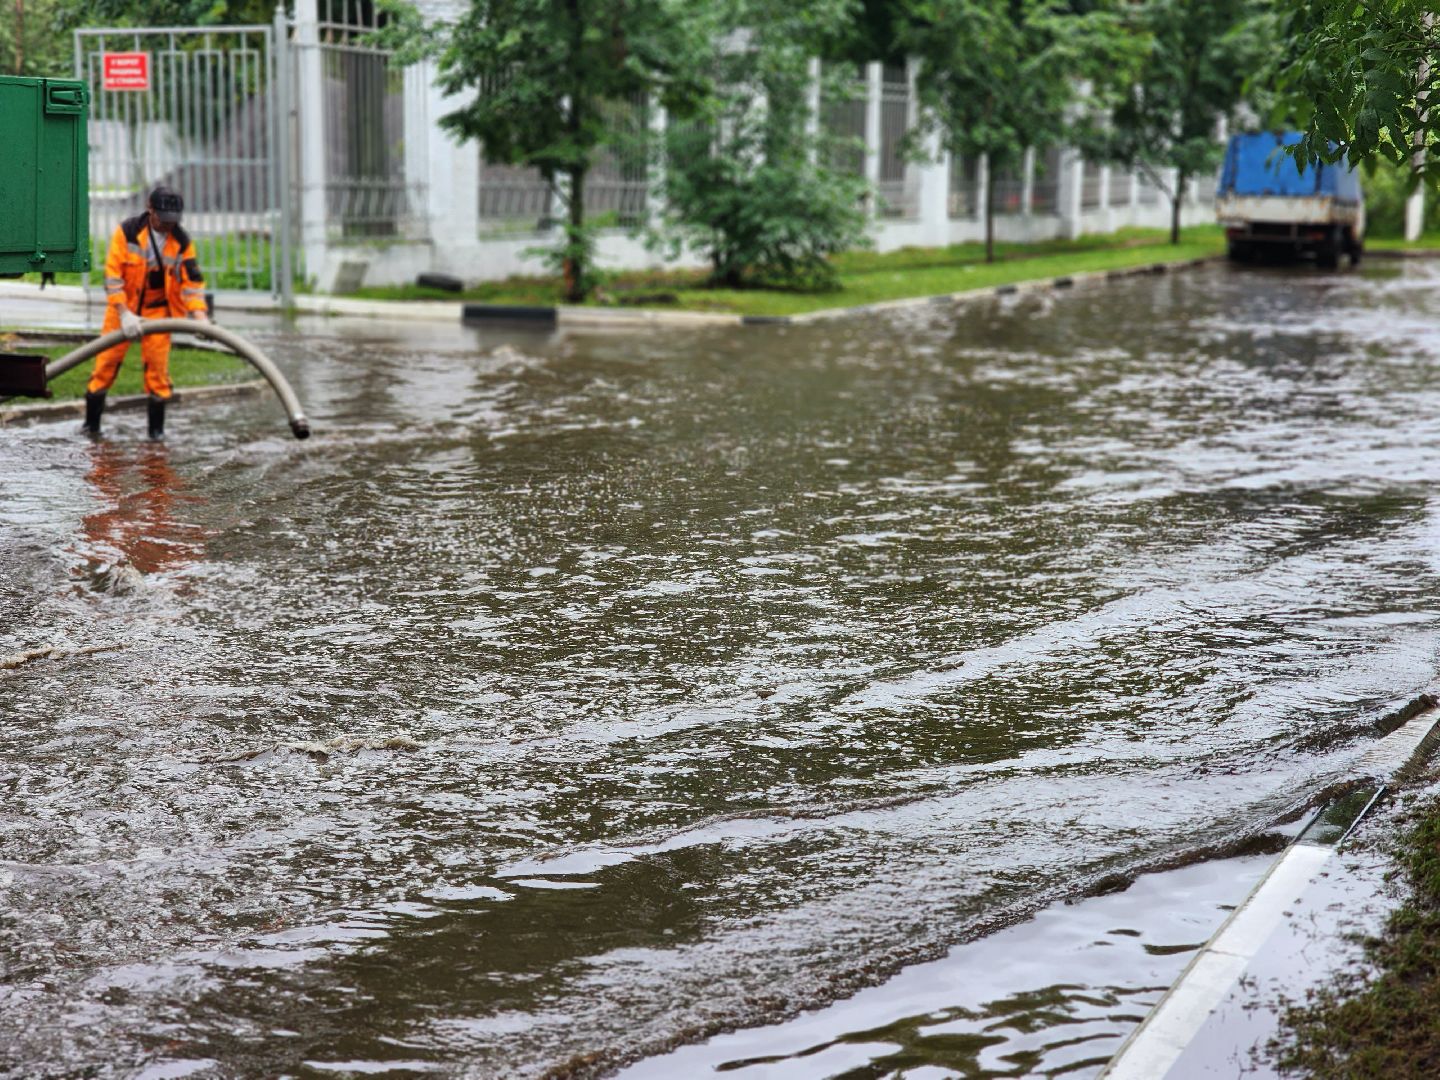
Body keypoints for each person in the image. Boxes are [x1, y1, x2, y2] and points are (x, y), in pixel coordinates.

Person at [83, 186, 210, 440]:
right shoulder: (128, 233)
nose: (167, 225)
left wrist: (200, 318)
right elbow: (112, 276)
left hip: (158, 312)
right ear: (150, 209)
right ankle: (91, 427)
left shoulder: (182, 242)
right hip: (123, 309)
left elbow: (192, 285)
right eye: (162, 219)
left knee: (157, 372)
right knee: (105, 366)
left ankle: (156, 435)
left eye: (172, 220)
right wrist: (123, 311)